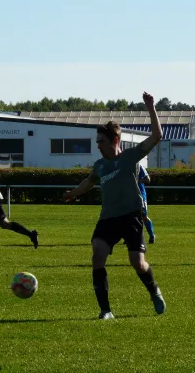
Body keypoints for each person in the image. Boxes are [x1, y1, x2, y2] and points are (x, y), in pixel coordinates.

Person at [63, 91, 165, 320]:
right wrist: (73, 194)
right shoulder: (99, 165)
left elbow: (157, 135)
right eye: (97, 142)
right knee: (97, 256)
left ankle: (154, 291)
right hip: (108, 218)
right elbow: (89, 182)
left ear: (115, 141)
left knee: (137, 264)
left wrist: (151, 107)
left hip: (131, 217)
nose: (98, 146)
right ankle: (106, 311)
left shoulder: (129, 158)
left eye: (101, 141)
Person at [138, 164, 156, 244]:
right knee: (127, 216)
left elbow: (147, 179)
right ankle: (129, 237)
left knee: (144, 216)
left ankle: (152, 235)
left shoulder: (139, 166)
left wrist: (137, 181)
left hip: (140, 195)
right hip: (128, 195)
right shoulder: (123, 166)